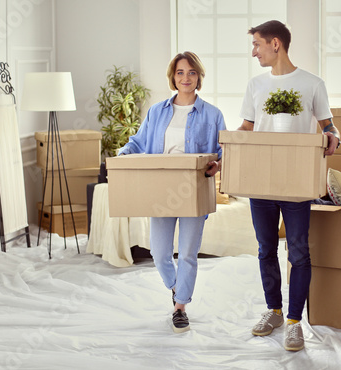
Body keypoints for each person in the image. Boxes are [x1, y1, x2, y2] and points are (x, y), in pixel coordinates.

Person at [237, 20, 341, 351]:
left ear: (276, 44)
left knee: (298, 252)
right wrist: (224, 147)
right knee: (266, 249)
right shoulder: (255, 85)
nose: (254, 51)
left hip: (296, 183)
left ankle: (295, 321)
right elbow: (246, 129)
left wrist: (332, 138)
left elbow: (331, 127)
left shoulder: (312, 84)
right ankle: (274, 311)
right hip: (260, 182)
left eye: (257, 44)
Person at [118, 52, 226, 333]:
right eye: (180, 72)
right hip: (161, 189)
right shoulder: (157, 111)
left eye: (191, 72)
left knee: (188, 253)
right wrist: (121, 156)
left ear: (199, 77)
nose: (185, 78)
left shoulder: (213, 114)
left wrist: (218, 164)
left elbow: (226, 150)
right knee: (160, 253)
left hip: (195, 189)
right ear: (173, 77)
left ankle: (180, 308)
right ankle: (178, 289)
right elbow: (138, 141)